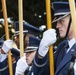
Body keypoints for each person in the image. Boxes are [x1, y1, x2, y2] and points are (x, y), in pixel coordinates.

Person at [26, 2, 76, 75]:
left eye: (61, 21)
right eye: (57, 22)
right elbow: (41, 73)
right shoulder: (62, 47)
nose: (57, 26)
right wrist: (41, 53)